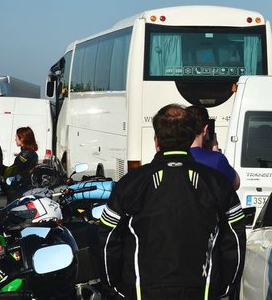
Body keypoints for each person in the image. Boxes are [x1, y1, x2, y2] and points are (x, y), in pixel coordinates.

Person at [99, 104, 245, 299]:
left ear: (156, 141)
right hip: (203, 291)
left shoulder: (131, 184)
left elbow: (107, 240)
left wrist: (114, 289)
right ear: (190, 138)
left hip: (143, 292)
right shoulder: (216, 183)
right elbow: (234, 240)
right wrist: (227, 288)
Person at [187, 105, 239, 189]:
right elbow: (235, 184)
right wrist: (215, 151)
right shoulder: (216, 159)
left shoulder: (175, 158)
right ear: (205, 129)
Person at [3, 127, 39, 195]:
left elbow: (18, 171)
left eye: (16, 137)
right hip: (23, 188)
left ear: (22, 138)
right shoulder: (31, 153)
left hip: (19, 190)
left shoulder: (25, 155)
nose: (15, 139)